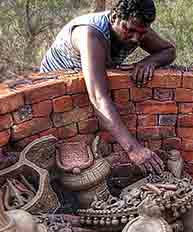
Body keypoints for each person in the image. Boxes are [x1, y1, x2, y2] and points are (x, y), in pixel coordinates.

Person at [41, 0, 176, 173]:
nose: (135, 39)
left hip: (89, 86)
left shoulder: (136, 28)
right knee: (74, 164)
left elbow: (168, 50)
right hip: (56, 98)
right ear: (114, 17)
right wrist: (134, 149)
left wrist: (149, 62)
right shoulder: (90, 34)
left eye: (141, 33)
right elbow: (98, 97)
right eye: (130, 30)